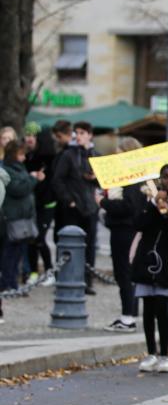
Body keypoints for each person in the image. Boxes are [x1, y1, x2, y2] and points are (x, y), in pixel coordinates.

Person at [131, 164, 168, 373]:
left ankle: (164, 355)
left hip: (167, 262)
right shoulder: (147, 198)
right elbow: (138, 223)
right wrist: (154, 206)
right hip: (147, 260)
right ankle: (150, 353)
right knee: (147, 309)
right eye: (166, 177)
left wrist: (166, 212)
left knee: (162, 309)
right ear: (160, 179)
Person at [99, 138, 146, 331]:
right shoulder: (137, 176)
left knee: (124, 273)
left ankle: (128, 317)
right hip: (126, 228)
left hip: (124, 229)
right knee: (127, 272)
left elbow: (128, 206)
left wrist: (103, 202)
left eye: (119, 154)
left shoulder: (131, 177)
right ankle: (129, 314)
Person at [51, 120, 99, 296]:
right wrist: (68, 200)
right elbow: (57, 180)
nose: (78, 136)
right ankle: (65, 278)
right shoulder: (68, 155)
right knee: (69, 243)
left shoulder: (96, 154)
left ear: (89, 135)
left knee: (90, 245)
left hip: (91, 207)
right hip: (73, 208)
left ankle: (87, 281)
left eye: (82, 133)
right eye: (76, 133)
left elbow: (104, 181)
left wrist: (95, 178)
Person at [1, 141, 41, 300]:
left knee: (17, 254)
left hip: (22, 217)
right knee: (9, 255)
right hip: (12, 218)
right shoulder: (7, 170)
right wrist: (32, 180)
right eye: (21, 154)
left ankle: (12, 284)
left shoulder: (18, 168)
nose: (24, 157)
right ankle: (7, 284)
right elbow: (18, 189)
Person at [24, 124, 56, 283]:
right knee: (31, 238)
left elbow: (51, 180)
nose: (29, 138)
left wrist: (41, 179)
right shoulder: (26, 156)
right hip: (32, 204)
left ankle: (50, 271)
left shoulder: (49, 158)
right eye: (27, 135)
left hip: (46, 204)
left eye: (32, 135)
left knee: (40, 238)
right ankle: (34, 272)